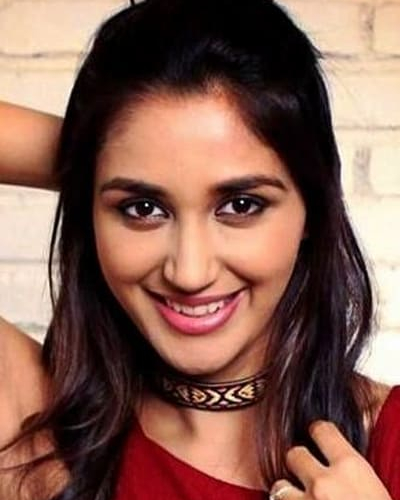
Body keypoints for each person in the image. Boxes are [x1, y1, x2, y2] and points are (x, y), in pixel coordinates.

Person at [0, 0, 399, 499]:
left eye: (241, 204)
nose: (189, 272)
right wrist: (97, 154)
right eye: (143, 207)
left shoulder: (388, 442)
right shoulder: (38, 431)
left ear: (312, 209)